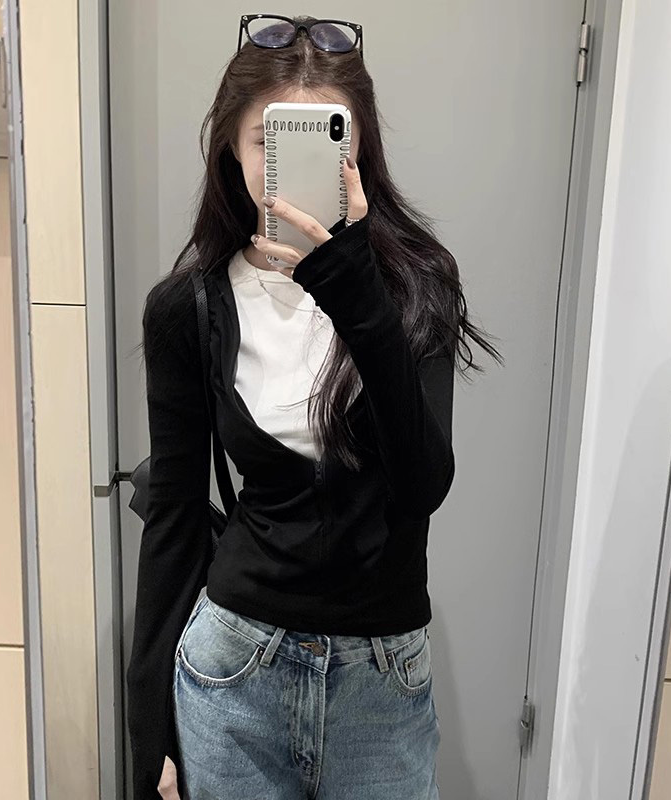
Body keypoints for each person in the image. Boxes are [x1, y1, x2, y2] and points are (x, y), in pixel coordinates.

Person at [126, 14, 502, 800]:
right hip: (234, 672)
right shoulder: (189, 308)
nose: (284, 166)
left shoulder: (417, 288)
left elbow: (422, 485)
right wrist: (148, 726)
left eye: (327, 139)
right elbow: (174, 519)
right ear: (231, 150)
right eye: (266, 142)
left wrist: (354, 291)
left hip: (382, 687)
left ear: (359, 149)